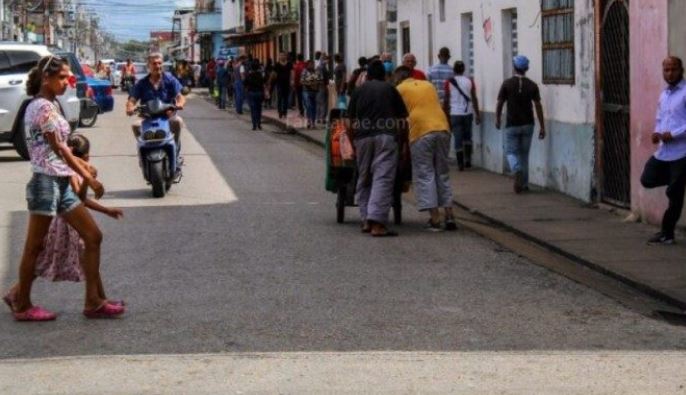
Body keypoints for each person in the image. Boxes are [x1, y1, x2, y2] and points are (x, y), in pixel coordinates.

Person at [4, 55, 124, 321]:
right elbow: (59, 149)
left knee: (93, 237)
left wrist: (80, 166)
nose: (66, 82)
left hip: (60, 183)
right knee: (34, 247)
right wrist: (87, 176)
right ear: (45, 78)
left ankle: (93, 301)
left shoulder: (52, 104)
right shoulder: (41, 108)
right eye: (61, 77)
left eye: (67, 77)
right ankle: (22, 304)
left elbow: (64, 148)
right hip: (46, 183)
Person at [6, 134, 125, 308]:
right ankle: (16, 293)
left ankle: (100, 298)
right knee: (51, 260)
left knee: (72, 259)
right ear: (86, 157)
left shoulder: (67, 166)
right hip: (67, 225)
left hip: (65, 222)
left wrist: (106, 210)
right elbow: (80, 198)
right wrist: (87, 180)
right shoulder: (71, 171)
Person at [347, 60, 409, 237]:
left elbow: (349, 122)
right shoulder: (390, 89)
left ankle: (366, 219)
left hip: (363, 138)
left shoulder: (359, 91)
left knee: (364, 177)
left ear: (367, 75)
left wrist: (353, 144)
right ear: (384, 75)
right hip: (385, 137)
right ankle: (377, 224)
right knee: (382, 177)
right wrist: (403, 144)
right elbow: (402, 120)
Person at [395, 66, 457, 231]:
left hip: (421, 131)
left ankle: (435, 219)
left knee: (425, 174)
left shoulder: (399, 89)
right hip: (443, 128)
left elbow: (398, 118)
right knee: (442, 172)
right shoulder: (427, 85)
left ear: (399, 78)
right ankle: (450, 216)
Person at [640, 56, 686, 245]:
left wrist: (673, 134)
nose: (669, 73)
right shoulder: (664, 94)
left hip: (682, 152)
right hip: (664, 152)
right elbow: (660, 118)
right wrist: (656, 132)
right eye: (666, 70)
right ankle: (678, 179)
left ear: (681, 70)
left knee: (675, 196)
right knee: (647, 178)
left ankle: (667, 233)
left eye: (673, 69)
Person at [496, 55, 545, 193]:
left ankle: (516, 170)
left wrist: (498, 118)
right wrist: (542, 126)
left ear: (514, 67)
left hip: (512, 124)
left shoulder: (506, 84)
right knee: (524, 155)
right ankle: (524, 184)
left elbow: (500, 103)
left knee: (511, 152)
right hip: (528, 124)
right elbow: (538, 105)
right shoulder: (532, 85)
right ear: (527, 68)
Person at [126, 53, 186, 160]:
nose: (157, 66)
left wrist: (180, 103)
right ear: (148, 66)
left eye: (159, 63)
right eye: (154, 63)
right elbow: (132, 100)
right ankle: (142, 153)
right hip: (148, 118)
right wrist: (130, 107)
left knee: (178, 122)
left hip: (167, 117)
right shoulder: (141, 83)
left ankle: (175, 149)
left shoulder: (170, 79)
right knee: (135, 126)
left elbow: (180, 96)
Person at [444, 60, 481, 170]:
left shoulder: (448, 82)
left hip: (454, 113)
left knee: (458, 138)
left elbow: (446, 99)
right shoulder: (470, 81)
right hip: (468, 112)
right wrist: (477, 114)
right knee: (467, 137)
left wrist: (446, 114)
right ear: (463, 69)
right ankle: (468, 160)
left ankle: (460, 164)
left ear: (454, 70)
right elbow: (474, 98)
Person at [244, 61, 266, 131]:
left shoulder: (249, 75)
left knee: (253, 110)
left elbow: (245, 83)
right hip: (259, 93)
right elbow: (264, 82)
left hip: (252, 93)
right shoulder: (260, 75)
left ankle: (254, 125)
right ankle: (259, 124)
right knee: (259, 109)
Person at [301, 60, 322, 129]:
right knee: (308, 106)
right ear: (307, 65)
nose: (311, 66)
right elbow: (302, 81)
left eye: (312, 64)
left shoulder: (316, 72)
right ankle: (309, 121)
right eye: (310, 64)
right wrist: (310, 83)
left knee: (314, 107)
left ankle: (313, 122)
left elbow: (320, 80)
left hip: (314, 92)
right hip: (306, 91)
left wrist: (317, 84)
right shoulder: (305, 71)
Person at [273, 52, 293, 119]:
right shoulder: (277, 65)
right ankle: (280, 112)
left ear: (286, 56)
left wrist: (292, 81)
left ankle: (285, 112)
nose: (282, 57)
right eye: (281, 55)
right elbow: (274, 74)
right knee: (280, 98)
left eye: (284, 55)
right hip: (279, 84)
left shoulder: (289, 64)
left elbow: (292, 72)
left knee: (285, 99)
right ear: (279, 57)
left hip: (287, 83)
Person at [316, 53, 331, 123]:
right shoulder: (321, 68)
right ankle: (322, 118)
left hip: (319, 87)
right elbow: (320, 79)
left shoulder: (321, 67)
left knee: (319, 102)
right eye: (326, 59)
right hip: (322, 87)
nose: (327, 60)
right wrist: (324, 87)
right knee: (323, 103)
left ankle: (319, 117)